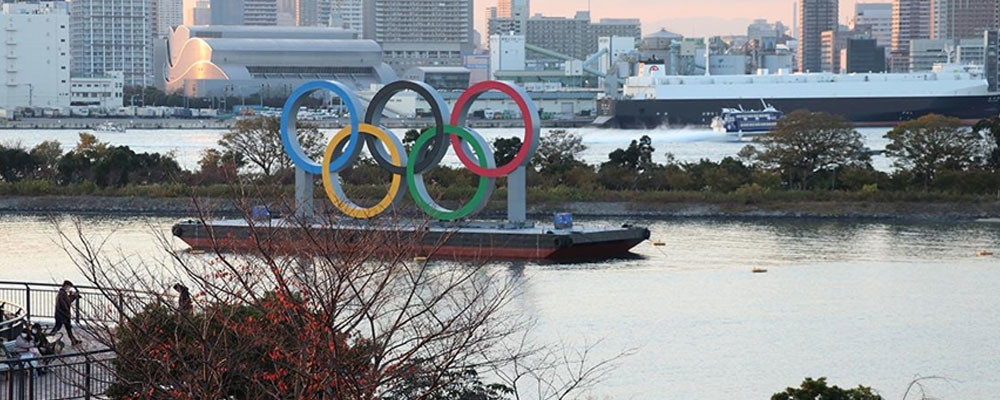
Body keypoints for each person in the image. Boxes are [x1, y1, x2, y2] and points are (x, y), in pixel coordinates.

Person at [50, 280, 81, 346]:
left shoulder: (62, 293)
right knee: (59, 327)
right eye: (69, 287)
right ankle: (49, 338)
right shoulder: (62, 294)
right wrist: (73, 296)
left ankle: (73, 340)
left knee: (67, 328)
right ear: (66, 286)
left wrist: (72, 296)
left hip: (61, 314)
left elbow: (67, 302)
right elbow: (66, 304)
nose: (69, 289)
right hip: (62, 314)